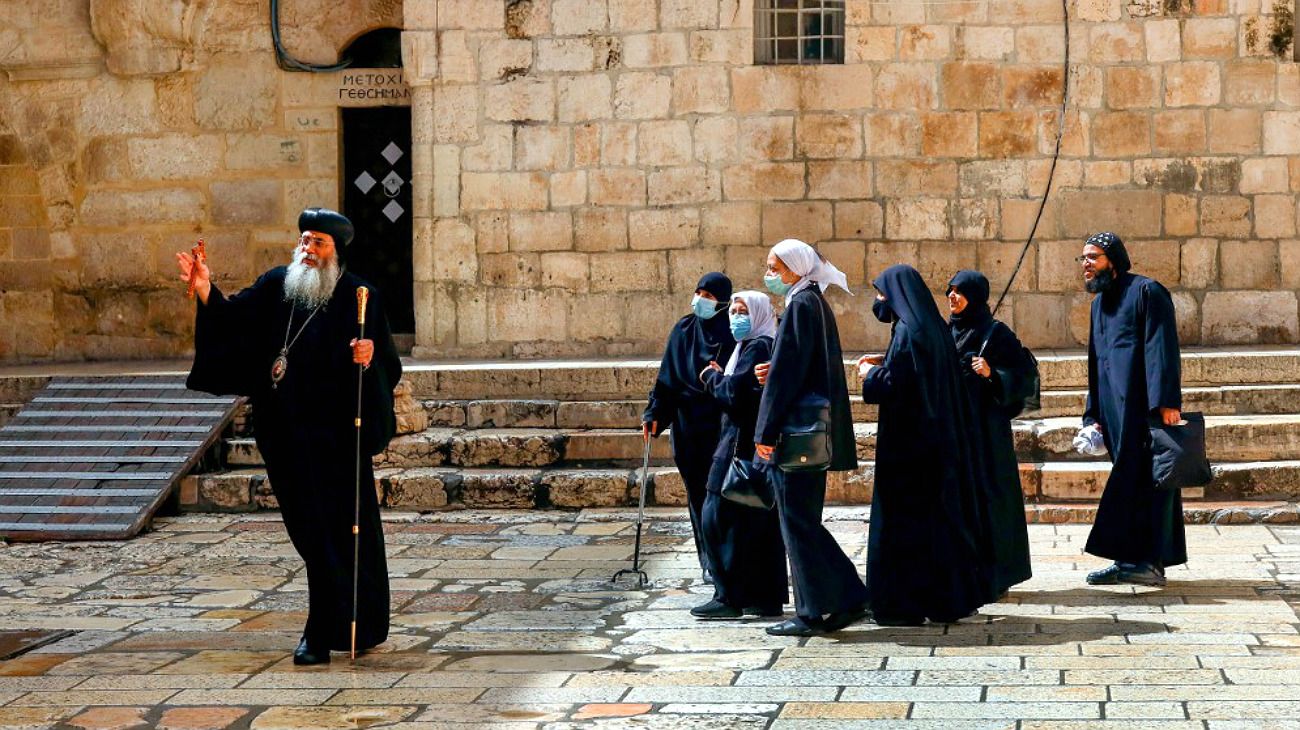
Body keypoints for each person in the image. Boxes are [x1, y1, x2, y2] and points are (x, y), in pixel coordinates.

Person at [177, 207, 402, 665]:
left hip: (337, 438)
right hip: (285, 434)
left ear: (336, 250)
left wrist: (369, 355)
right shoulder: (277, 285)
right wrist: (204, 288)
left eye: (318, 242)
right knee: (307, 531)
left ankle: (319, 633)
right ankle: (330, 623)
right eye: (304, 240)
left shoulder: (360, 296)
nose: (307, 250)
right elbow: (233, 320)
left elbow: (388, 366)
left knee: (331, 532)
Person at [858, 264, 991, 625]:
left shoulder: (908, 331)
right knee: (934, 526)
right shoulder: (930, 327)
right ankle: (943, 600)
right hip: (931, 444)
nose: (879, 301)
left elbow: (898, 384)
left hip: (908, 449)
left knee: (905, 527)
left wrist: (870, 375)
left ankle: (903, 603)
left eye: (882, 294)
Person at [753, 239, 869, 637]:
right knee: (802, 522)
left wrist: (764, 432)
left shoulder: (801, 305)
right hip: (809, 430)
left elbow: (788, 378)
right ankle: (846, 597)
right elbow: (798, 363)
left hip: (794, 434)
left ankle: (813, 611)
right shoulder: (811, 302)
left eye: (775, 267)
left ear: (796, 268)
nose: (769, 274)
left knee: (797, 523)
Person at [1079, 232, 1185, 587]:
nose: (1086, 265)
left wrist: (1167, 403)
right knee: (1129, 482)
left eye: (1093, 257)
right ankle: (1128, 559)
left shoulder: (1147, 292)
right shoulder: (1099, 304)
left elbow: (1162, 350)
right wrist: (1092, 414)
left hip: (1145, 408)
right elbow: (1096, 361)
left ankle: (1148, 561)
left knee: (1149, 483)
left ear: (1113, 258)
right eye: (1083, 259)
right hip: (1113, 411)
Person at [692, 291, 788, 620]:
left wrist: (711, 377)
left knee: (715, 519)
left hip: (737, 447)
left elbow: (734, 394)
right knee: (752, 524)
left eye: (743, 310)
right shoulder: (748, 347)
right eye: (733, 310)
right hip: (747, 446)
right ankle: (763, 597)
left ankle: (727, 596)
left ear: (759, 313)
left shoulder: (757, 346)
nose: (735, 316)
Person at [644, 273, 736, 581]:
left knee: (723, 496)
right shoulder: (683, 330)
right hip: (687, 428)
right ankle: (709, 561)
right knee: (698, 497)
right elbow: (667, 377)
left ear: (722, 302)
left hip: (722, 426)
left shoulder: (732, 333)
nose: (700, 300)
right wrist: (655, 412)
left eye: (709, 296)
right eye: (698, 292)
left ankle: (731, 559)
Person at [947, 270, 1033, 597]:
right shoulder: (946, 331)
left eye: (960, 291)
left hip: (987, 434)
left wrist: (992, 373)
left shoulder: (996, 335)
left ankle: (999, 575)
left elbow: (1025, 377)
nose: (953, 297)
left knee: (992, 502)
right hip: (957, 431)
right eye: (950, 290)